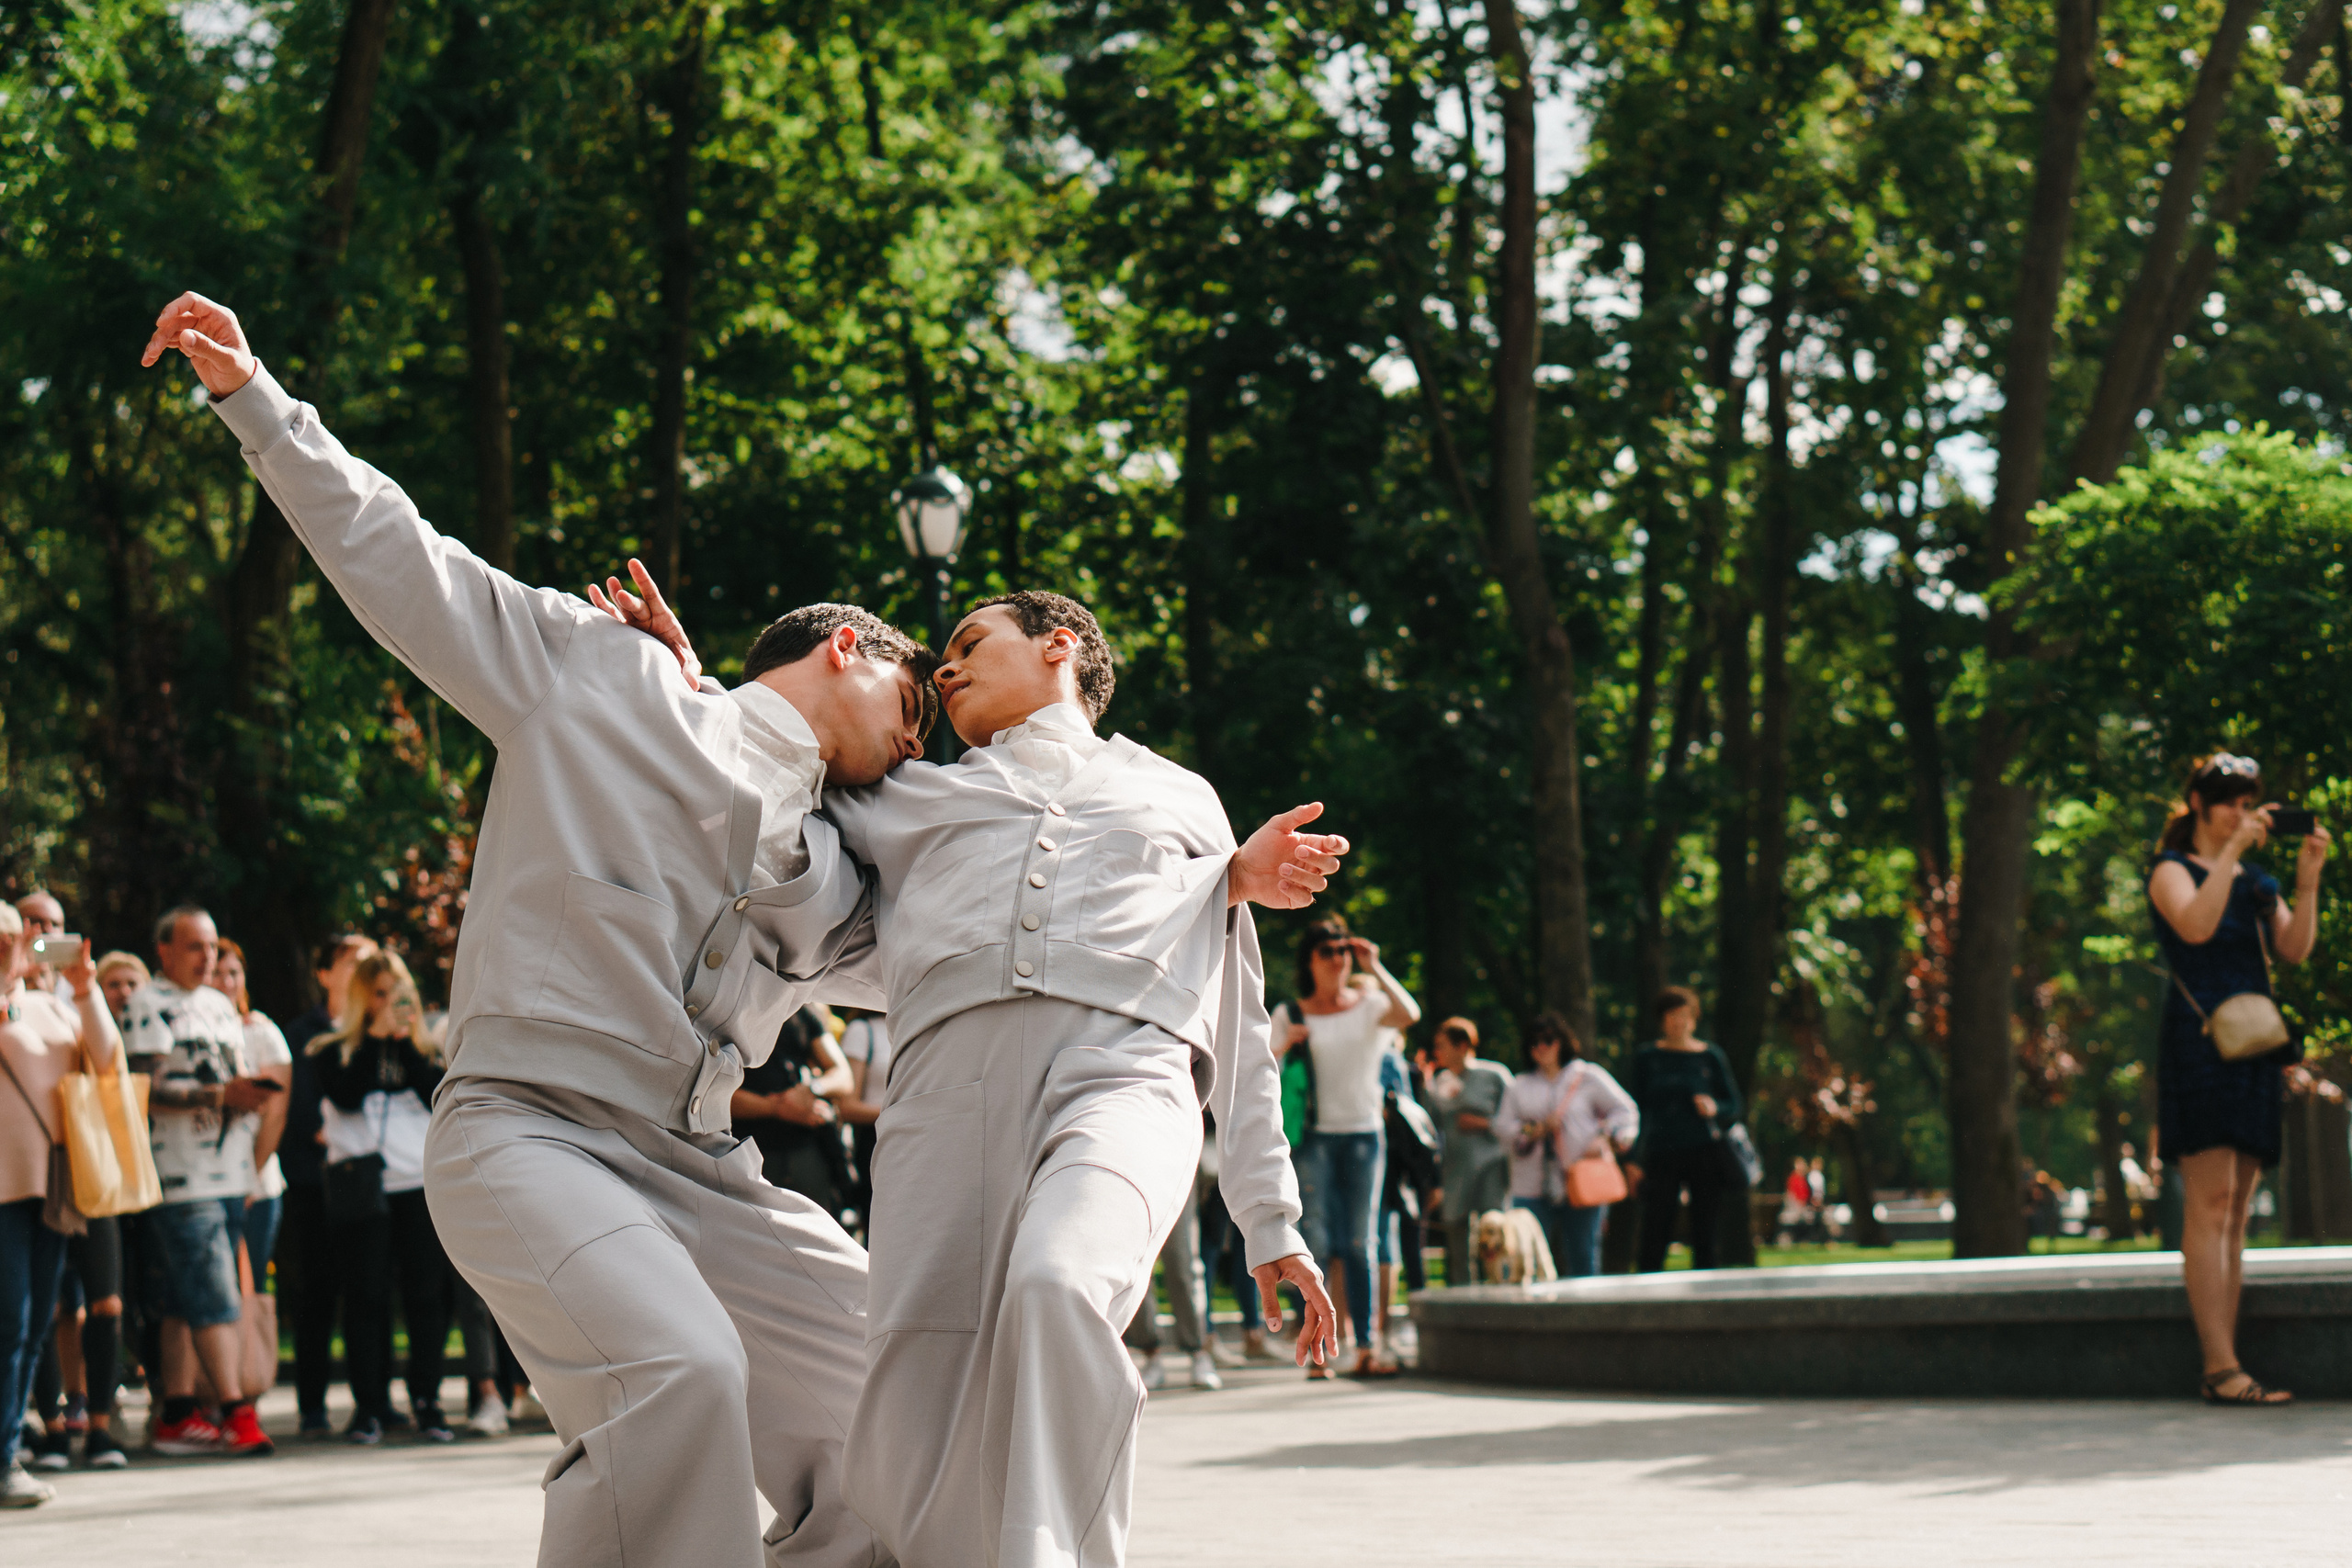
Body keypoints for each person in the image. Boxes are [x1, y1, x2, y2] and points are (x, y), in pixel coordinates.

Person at [153, 291, 923, 1566]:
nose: (920, 743)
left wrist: (1203, 889)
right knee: (678, 1372)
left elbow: (975, 967)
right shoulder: (603, 675)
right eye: (915, 706)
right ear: (848, 648)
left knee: (897, 1399)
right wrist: (257, 403)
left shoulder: (842, 873)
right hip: (529, 1132)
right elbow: (406, 560)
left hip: (702, 1168)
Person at [657, 589, 1344, 1568]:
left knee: (1060, 1283)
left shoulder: (1181, 796)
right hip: (940, 1103)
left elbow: (1238, 1017)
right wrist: (686, 684)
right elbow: (753, 761)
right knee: (916, 1395)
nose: (945, 668)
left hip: (1125, 1080)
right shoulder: (897, 799)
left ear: (1060, 645)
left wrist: (1270, 1220)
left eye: (971, 642)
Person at [2146, 752, 2330, 1405]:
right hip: (2200, 1041)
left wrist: (2306, 882)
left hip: (2254, 1041)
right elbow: (2195, 926)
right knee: (2211, 1199)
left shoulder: (2256, 881)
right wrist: (2229, 853)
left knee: (2237, 1209)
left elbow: (2294, 949)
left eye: (2247, 801)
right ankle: (2220, 1366)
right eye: (2226, 800)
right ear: (2198, 803)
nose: (2239, 812)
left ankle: (2226, 1363)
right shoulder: (2171, 870)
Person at [121, 905, 277, 1458]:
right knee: (214, 1295)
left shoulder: (218, 1004)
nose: (207, 957)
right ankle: (236, 1412)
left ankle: (178, 1411)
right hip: (182, 1177)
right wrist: (217, 1095)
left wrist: (246, 1095)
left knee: (182, 1297)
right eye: (194, 946)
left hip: (231, 1170)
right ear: (163, 951)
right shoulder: (148, 1004)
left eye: (212, 946)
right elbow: (142, 1089)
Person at [311, 950, 462, 1443]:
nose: (389, 1005)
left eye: (397, 995)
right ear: (362, 999)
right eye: (378, 996)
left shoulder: (431, 1050)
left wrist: (407, 1045)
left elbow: (436, 1096)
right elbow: (347, 1096)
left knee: (426, 1296)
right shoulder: (334, 1049)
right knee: (366, 1298)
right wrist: (375, 1039)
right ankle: (370, 1406)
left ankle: (427, 1399)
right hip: (364, 1188)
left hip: (418, 1183)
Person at [2, 913, 123, 1505]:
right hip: (4, 1187)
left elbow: (107, 1058)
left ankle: (5, 1455)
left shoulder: (50, 1007)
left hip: (50, 1184)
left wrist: (84, 989)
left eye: (13, 939)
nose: (10, 948)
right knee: (9, 1321)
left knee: (30, 1328)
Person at [1273, 917, 1419, 1378]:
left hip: (1363, 1136)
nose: (1337, 959)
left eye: (1343, 950)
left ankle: (1366, 1346)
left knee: (1360, 1242)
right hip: (1312, 1137)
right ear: (1309, 961)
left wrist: (1375, 965)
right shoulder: (1291, 1014)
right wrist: (1284, 1045)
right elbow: (1260, 1072)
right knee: (1315, 1243)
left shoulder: (1370, 1005)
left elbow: (1410, 1014)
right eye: (1327, 951)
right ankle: (1318, 1352)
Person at [277, 932, 375, 1438]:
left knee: (366, 1294)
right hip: (314, 1178)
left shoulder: (378, 1027)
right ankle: (312, 1408)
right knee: (315, 1293)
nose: (363, 969)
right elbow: (295, 1106)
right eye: (351, 961)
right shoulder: (301, 1033)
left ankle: (373, 1404)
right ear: (323, 974)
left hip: (366, 1179)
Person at [1498, 1012, 1637, 1279]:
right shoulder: (1519, 1085)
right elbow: (1502, 1128)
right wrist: (1533, 1131)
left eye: (1548, 1040)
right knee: (1524, 1258)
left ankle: (1585, 1307)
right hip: (1532, 1185)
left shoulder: (1587, 1076)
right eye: (1534, 1043)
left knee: (1583, 1256)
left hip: (1580, 1179)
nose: (1542, 1048)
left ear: (1561, 1042)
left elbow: (1625, 1111)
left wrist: (1604, 1137)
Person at [1627, 987, 1743, 1274]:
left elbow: (1733, 1104)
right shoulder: (1647, 1058)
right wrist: (1632, 1159)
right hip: (1661, 1152)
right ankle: (1648, 1290)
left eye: (1684, 1015)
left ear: (1694, 1019)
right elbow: (1634, 1111)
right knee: (1655, 1228)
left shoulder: (1710, 1056)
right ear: (1661, 1020)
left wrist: (1714, 1107)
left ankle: (1707, 1292)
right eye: (1671, 1015)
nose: (1678, 1021)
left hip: (1704, 1152)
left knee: (1705, 1228)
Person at [209, 940, 292, 1277]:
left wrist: (248, 1179)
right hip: (206, 1183)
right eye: (217, 973)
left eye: (234, 972)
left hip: (255, 1186)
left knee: (250, 1286)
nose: (227, 982)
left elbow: (276, 1115)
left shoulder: (262, 1032)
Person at [731, 1005, 854, 1219]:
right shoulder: (734, 1006)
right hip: (745, 1152)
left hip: (805, 1150)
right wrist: (778, 1107)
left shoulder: (804, 1009)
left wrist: (812, 1089)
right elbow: (711, 1091)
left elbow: (843, 1076)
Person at [1426, 1018, 1510, 1286]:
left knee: (1494, 1234)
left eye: (1442, 1045)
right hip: (1455, 1171)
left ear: (1462, 1045)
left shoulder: (1494, 1075)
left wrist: (1484, 1123)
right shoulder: (1440, 1081)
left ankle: (1499, 1297)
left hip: (1491, 1167)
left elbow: (1515, 1119)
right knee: (1456, 1238)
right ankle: (1463, 1300)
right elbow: (1429, 1126)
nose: (1437, 1052)